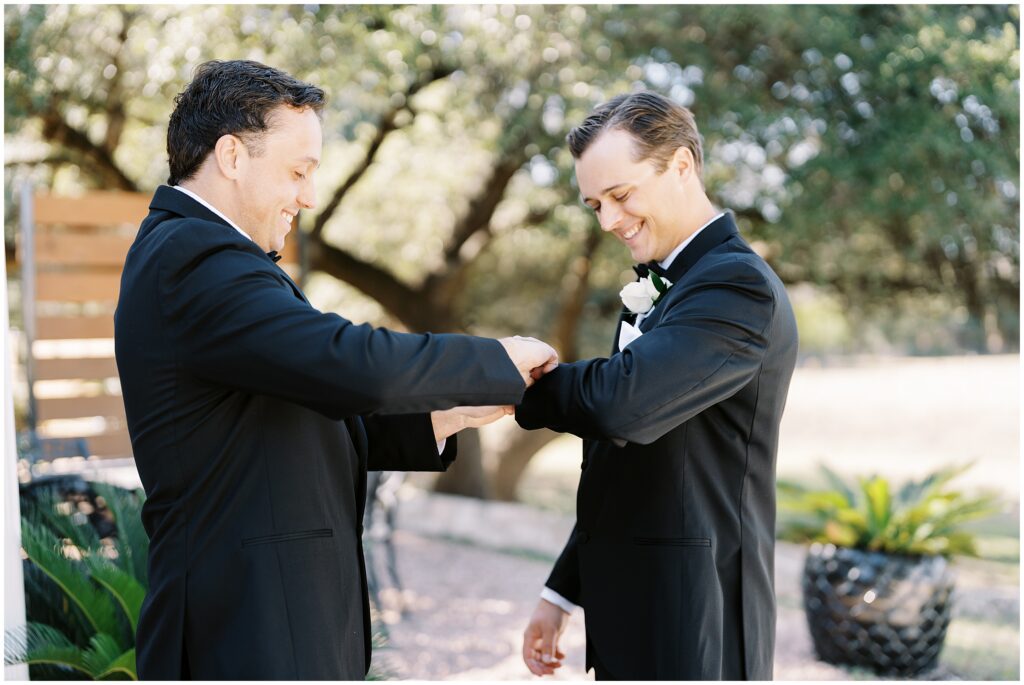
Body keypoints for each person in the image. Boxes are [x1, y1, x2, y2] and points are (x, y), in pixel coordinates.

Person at [114, 60, 557, 680]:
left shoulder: (205, 257)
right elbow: (344, 361)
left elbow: (290, 419)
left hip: (270, 626)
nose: (309, 197)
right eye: (299, 172)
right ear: (232, 155)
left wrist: (440, 416)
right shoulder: (194, 257)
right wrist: (492, 361)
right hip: (245, 637)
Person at [517, 91, 799, 680]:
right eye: (595, 204)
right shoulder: (663, 285)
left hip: (698, 618)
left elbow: (622, 404)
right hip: (633, 609)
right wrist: (562, 592)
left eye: (620, 196)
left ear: (681, 165)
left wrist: (512, 378)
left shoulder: (736, 287)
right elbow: (624, 464)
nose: (609, 221)